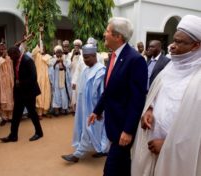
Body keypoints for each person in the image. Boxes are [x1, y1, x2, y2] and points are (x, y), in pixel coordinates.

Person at [131, 14, 201, 176]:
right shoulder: (168, 71)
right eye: (173, 40)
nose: (172, 46)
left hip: (178, 160)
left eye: (179, 42)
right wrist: (149, 110)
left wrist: (168, 146)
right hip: (151, 149)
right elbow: (155, 97)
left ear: (196, 45)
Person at [88, 17, 148, 176]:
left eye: (107, 31)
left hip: (123, 128)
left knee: (111, 170)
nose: (104, 34)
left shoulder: (135, 60)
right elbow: (109, 90)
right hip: (113, 125)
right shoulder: (113, 56)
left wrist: (128, 130)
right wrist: (97, 110)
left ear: (117, 36)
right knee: (123, 168)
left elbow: (138, 99)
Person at [61, 44, 110, 163]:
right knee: (86, 129)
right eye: (84, 57)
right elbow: (81, 89)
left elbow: (103, 93)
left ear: (94, 56)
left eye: (87, 57)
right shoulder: (85, 70)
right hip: (84, 107)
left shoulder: (100, 71)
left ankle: (77, 155)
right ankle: (103, 149)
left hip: (94, 108)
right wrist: (77, 102)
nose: (84, 60)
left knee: (91, 130)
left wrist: (99, 110)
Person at [0, 46, 43, 142]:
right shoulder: (15, 60)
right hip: (20, 92)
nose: (10, 58)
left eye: (11, 56)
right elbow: (17, 75)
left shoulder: (28, 60)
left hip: (29, 92)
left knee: (32, 113)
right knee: (16, 115)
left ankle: (39, 133)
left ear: (17, 53)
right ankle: (13, 136)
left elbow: (33, 77)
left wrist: (21, 83)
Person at [0, 43, 14, 126]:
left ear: (6, 49)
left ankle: (11, 117)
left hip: (9, 81)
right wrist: (2, 58)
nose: (2, 51)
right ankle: (4, 117)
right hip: (0, 82)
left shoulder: (10, 58)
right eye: (0, 49)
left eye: (3, 49)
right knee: (2, 98)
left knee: (10, 98)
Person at [49, 45, 72, 116]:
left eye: (60, 52)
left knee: (63, 94)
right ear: (55, 53)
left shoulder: (65, 60)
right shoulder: (52, 60)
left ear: (62, 53)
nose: (59, 54)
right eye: (57, 52)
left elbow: (67, 70)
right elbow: (50, 71)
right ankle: (56, 110)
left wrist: (62, 63)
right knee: (56, 95)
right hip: (56, 81)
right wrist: (56, 62)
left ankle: (64, 108)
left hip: (63, 81)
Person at [32, 45, 52, 119]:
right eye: (41, 48)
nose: (42, 49)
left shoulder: (47, 56)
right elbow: (33, 53)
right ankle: (39, 113)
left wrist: (44, 56)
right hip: (38, 78)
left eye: (43, 48)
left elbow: (50, 63)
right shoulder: (36, 55)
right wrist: (38, 48)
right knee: (39, 96)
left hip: (46, 78)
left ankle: (45, 112)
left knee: (46, 94)